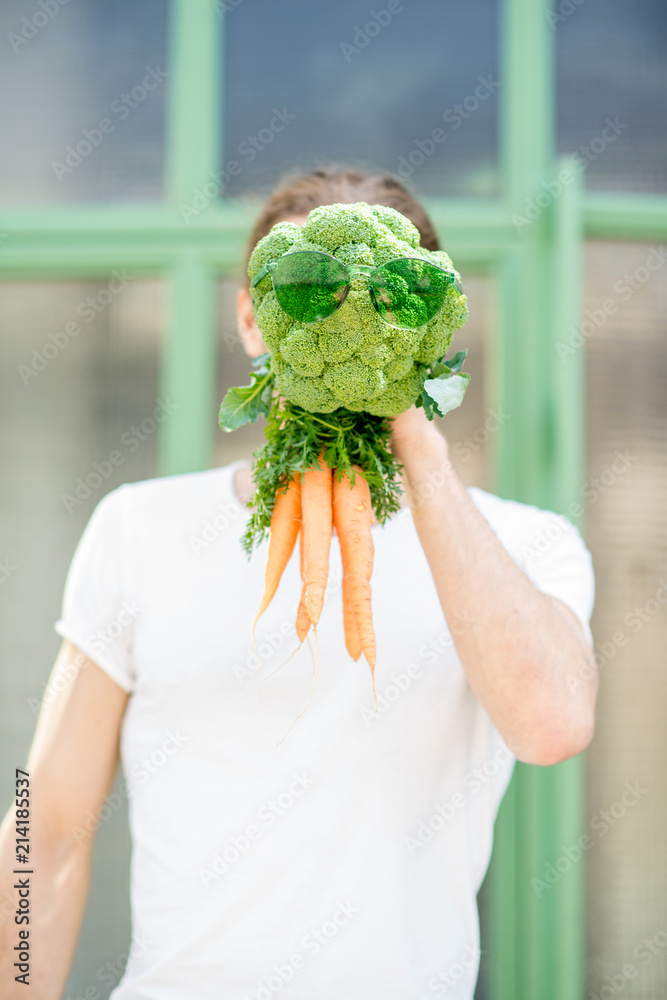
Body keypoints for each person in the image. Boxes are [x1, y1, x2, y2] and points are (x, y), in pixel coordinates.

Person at [0, 168, 597, 1000]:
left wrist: (416, 444)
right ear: (251, 318)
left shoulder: (526, 545)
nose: (349, 310)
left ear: (428, 322)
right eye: (311, 290)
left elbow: (552, 725)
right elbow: (45, 828)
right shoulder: (138, 529)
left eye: (385, 297)